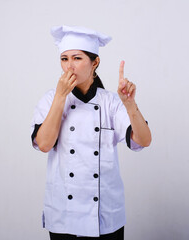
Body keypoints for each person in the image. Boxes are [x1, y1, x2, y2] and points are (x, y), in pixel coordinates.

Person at [30, 25, 152, 239]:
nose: (69, 67)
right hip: (64, 215)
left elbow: (144, 140)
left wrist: (130, 105)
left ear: (95, 62)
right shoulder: (50, 99)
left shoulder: (111, 102)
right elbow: (44, 144)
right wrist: (60, 97)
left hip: (104, 215)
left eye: (77, 58)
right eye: (64, 59)